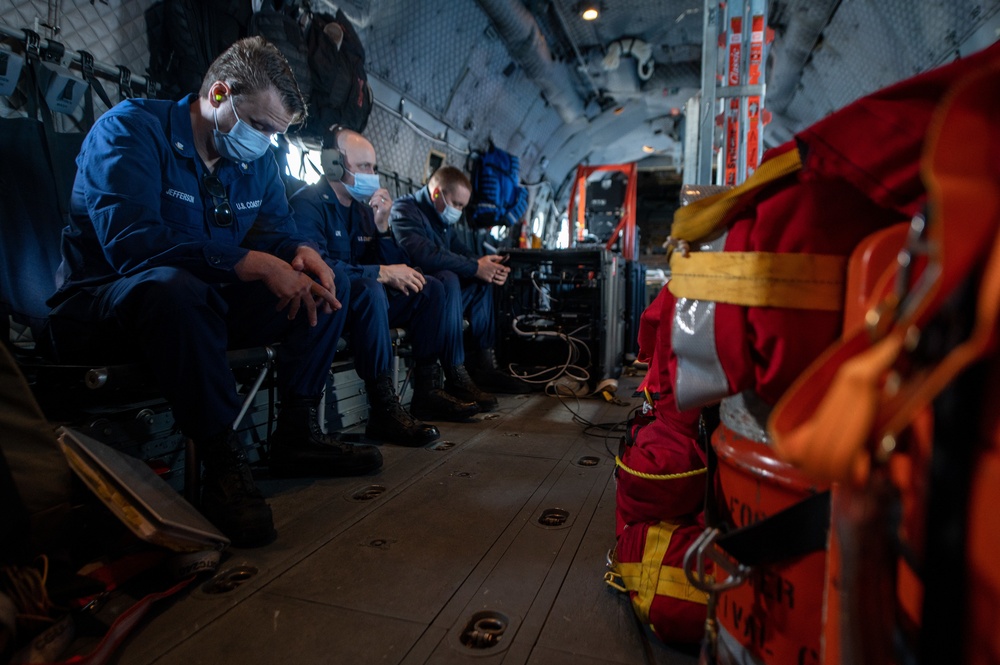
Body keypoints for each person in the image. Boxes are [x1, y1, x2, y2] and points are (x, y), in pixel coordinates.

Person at [43, 37, 382, 548]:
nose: (266, 143)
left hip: (199, 303)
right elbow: (133, 246)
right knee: (176, 289)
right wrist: (249, 261)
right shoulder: (131, 130)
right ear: (220, 95)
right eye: (262, 127)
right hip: (108, 302)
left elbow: (275, 229)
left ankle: (297, 433)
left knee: (324, 285)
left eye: (277, 134)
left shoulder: (255, 161)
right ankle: (222, 462)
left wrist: (298, 251)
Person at [289, 128, 497, 437]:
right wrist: (380, 273)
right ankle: (383, 407)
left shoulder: (363, 212)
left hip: (366, 304)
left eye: (374, 167)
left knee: (432, 288)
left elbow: (386, 260)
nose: (372, 175)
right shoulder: (308, 203)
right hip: (332, 304)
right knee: (371, 288)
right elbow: (316, 266)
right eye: (364, 167)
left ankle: (427, 389)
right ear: (333, 164)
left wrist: (383, 227)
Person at [390, 167, 530, 394]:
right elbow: (425, 256)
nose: (458, 211)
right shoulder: (405, 210)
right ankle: (454, 372)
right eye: (456, 204)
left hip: (441, 297)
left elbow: (460, 251)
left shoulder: (442, 220)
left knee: (482, 281)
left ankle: (483, 366)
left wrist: (486, 265)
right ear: (437, 194)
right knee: (449, 278)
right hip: (416, 297)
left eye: (462, 206)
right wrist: (476, 267)